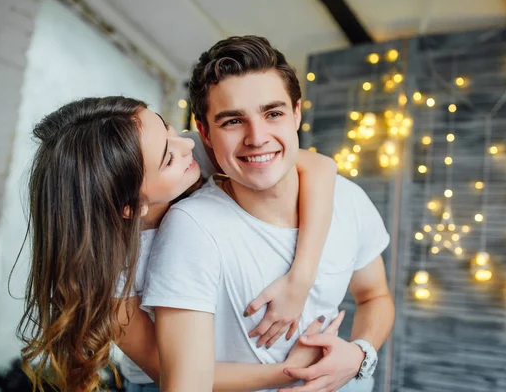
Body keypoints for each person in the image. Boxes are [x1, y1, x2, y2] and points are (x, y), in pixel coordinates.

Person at [18, 95, 339, 392]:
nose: (187, 143)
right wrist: (291, 370)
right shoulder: (109, 276)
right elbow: (169, 371)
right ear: (130, 206)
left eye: (168, 127)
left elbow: (319, 166)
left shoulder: (187, 151)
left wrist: (300, 279)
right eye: (169, 157)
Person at [142, 35, 395, 392]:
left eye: (273, 113)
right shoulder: (191, 227)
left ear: (296, 114)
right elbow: (180, 379)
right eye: (232, 121)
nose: (257, 137)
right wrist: (294, 373)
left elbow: (375, 297)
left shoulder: (348, 198)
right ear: (205, 133)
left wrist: (360, 353)